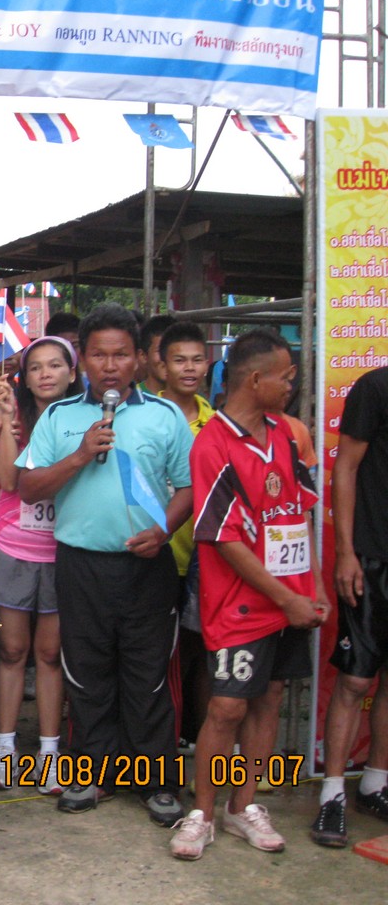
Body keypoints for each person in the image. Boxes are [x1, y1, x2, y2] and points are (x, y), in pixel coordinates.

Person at [17, 303, 192, 825]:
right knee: (87, 673)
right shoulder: (58, 417)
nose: (110, 366)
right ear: (83, 361)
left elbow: (189, 487)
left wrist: (164, 532)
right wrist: (78, 455)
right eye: (99, 355)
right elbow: (28, 487)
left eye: (120, 355)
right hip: (81, 565)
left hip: (147, 566)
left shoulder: (164, 416)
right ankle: (91, 775)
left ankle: (155, 782)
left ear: (140, 358)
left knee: (148, 677)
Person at [170, 329, 327, 860]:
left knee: (270, 699)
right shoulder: (212, 444)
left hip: (291, 601)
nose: (291, 385)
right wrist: (285, 597)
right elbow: (226, 539)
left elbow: (299, 515)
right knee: (227, 707)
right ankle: (201, 813)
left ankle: (244, 807)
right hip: (240, 605)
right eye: (285, 376)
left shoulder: (287, 434)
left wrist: (313, 585)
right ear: (256, 379)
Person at [0, 336, 82, 797]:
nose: (45, 374)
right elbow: (7, 480)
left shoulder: (85, 421)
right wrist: (6, 418)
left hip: (65, 548)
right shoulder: (15, 415)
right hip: (12, 546)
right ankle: (4, 750)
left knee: (49, 653)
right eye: (36, 367)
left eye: (55, 365)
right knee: (11, 650)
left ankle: (49, 752)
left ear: (72, 373)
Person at [311, 361, 388, 847]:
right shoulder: (376, 387)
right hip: (373, 556)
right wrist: (346, 552)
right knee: (356, 679)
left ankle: (376, 783)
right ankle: (333, 794)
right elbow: (346, 468)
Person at [155, 322, 215, 751]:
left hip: (205, 557)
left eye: (196, 360)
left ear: (208, 364)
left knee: (199, 650)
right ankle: (161, 736)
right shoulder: (145, 415)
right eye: (180, 360)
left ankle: (197, 736)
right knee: (159, 654)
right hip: (156, 555)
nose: (189, 368)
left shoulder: (218, 423)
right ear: (162, 366)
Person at [138, 314, 176, 396]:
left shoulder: (194, 400)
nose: (167, 358)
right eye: (160, 350)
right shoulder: (131, 398)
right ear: (143, 356)